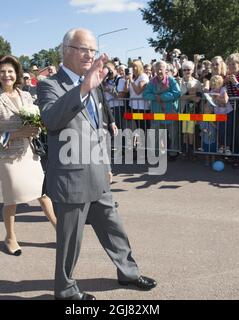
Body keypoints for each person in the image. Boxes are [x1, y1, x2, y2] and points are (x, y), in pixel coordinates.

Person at [37, 28, 156, 300]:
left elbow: (97, 129)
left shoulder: (92, 82)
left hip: (98, 173)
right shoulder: (50, 85)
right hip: (70, 178)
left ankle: (128, 273)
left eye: (92, 49)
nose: (89, 54)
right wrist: (83, 87)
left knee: (114, 228)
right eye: (83, 49)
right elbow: (52, 120)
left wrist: (106, 166)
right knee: (70, 241)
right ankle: (65, 291)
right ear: (66, 50)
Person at [0, 55, 56, 257]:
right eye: (2, 71)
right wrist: (16, 134)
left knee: (43, 195)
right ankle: (10, 237)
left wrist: (37, 127)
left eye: (10, 71)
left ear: (16, 74)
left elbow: (35, 119)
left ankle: (59, 230)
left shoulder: (25, 95)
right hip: (8, 158)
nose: (7, 75)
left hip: (29, 154)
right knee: (12, 199)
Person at [143, 60, 181, 159]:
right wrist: (156, 97)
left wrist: (163, 97)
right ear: (154, 70)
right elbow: (145, 94)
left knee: (173, 135)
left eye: (161, 69)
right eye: (157, 69)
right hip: (157, 114)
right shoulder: (152, 82)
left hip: (170, 113)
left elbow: (177, 93)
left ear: (165, 69)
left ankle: (173, 153)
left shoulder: (171, 80)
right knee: (155, 135)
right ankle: (154, 154)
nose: (159, 71)